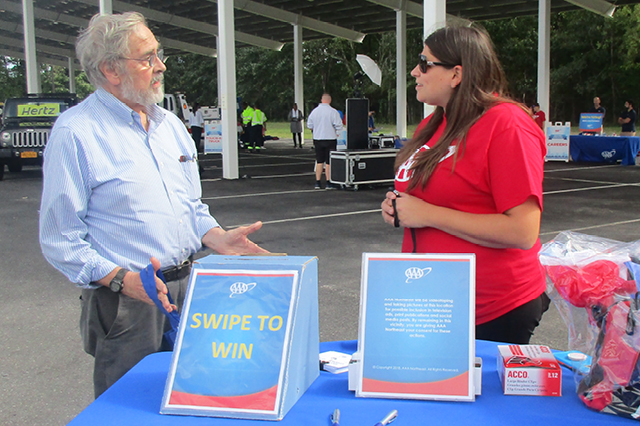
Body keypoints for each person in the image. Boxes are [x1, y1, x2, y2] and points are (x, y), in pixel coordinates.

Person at [38, 12, 268, 398]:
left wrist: (217, 238)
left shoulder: (170, 126)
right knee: (130, 407)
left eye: (158, 55)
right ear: (111, 69)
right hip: (127, 302)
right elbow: (60, 239)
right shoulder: (76, 133)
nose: (160, 66)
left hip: (190, 292)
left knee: (195, 397)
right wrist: (120, 280)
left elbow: (190, 206)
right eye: (147, 58)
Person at [380, 26, 549, 345]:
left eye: (425, 63)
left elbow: (522, 232)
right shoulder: (435, 124)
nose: (415, 71)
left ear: (456, 74)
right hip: (436, 301)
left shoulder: (506, 124)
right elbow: (430, 196)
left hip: (492, 309)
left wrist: (427, 214)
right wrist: (397, 207)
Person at [307, 93, 343, 190]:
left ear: (321, 100)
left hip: (318, 138)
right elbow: (339, 125)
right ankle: (328, 181)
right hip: (330, 138)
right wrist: (336, 131)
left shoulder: (314, 112)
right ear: (329, 100)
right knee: (329, 162)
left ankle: (317, 182)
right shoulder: (333, 111)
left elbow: (309, 125)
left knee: (319, 161)